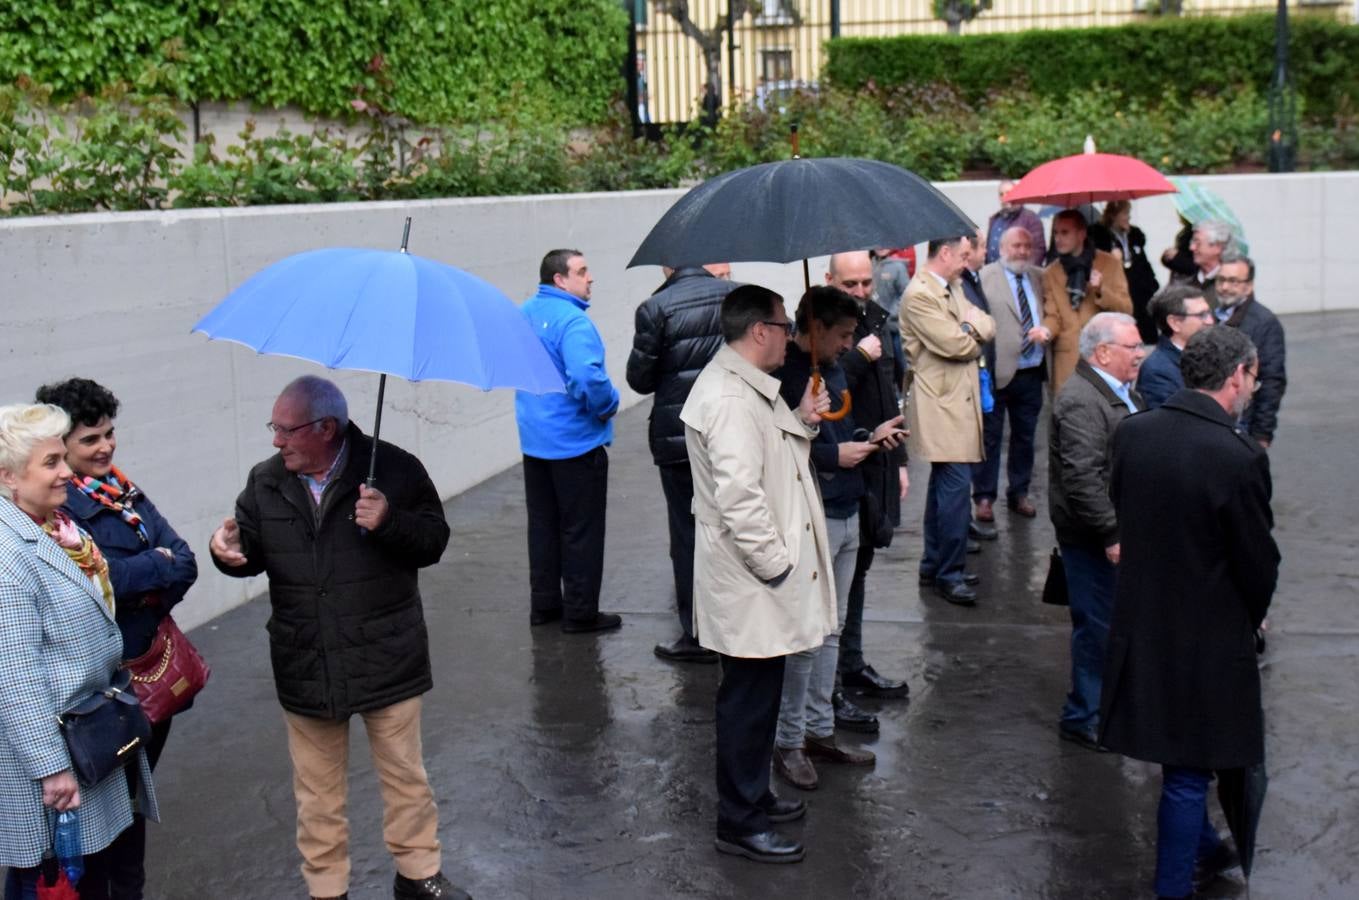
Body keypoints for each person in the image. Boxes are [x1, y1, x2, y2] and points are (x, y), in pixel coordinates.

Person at [209, 376, 464, 900]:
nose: (277, 441)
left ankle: (418, 873)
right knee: (317, 793)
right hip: (307, 658)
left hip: (386, 653)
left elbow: (434, 539)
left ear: (327, 428)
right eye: (273, 428)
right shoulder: (265, 481)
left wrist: (389, 521)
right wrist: (226, 552)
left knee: (405, 778)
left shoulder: (395, 469)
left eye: (286, 430)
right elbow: (251, 551)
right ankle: (327, 888)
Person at [1100, 326, 1278, 900]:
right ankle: (1172, 889)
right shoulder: (1239, 455)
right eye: (1251, 378)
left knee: (1178, 758)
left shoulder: (1134, 433)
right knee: (1187, 772)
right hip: (1206, 636)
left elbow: (1128, 513)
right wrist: (1254, 616)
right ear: (1237, 377)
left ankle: (1207, 848)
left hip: (1142, 621)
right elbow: (1257, 560)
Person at [680, 284, 835, 864]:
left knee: (759, 695)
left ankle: (752, 798)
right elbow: (740, 497)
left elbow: (770, 452)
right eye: (785, 324)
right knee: (746, 702)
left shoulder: (745, 389)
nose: (792, 336)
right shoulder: (728, 397)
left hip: (755, 581)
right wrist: (778, 568)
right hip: (752, 581)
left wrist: (803, 418)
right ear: (761, 332)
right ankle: (739, 821)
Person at [34, 378, 197, 900]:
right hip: (104, 695)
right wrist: (154, 570)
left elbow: (187, 562)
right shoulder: (58, 512)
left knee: (132, 812)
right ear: (61, 447)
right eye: (89, 440)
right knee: (102, 822)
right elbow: (93, 588)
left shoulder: (122, 489)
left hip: (150, 680)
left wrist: (137, 580)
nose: (105, 446)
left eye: (109, 433)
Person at [0, 403, 157, 900]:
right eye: (50, 463)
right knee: (54, 882)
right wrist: (52, 770)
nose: (67, 471)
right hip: (55, 764)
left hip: (88, 742)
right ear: (7, 476)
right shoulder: (9, 557)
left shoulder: (57, 528)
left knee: (95, 877)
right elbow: (16, 677)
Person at [770, 286, 903, 790]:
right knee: (807, 632)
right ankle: (789, 740)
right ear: (818, 327)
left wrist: (870, 439)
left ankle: (818, 731)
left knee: (832, 626)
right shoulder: (787, 375)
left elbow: (839, 430)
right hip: (812, 513)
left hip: (848, 506)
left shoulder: (833, 367)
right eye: (843, 334)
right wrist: (830, 456)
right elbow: (782, 448)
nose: (851, 343)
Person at [625, 263, 735, 663]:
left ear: (667, 266)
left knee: (689, 532)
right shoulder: (737, 297)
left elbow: (639, 378)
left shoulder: (656, 307)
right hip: (731, 430)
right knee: (734, 520)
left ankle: (697, 633)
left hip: (679, 437)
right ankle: (735, 619)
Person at [1048, 313, 1144, 752]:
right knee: (1097, 628)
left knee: (1111, 625)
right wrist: (1110, 533)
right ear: (1103, 353)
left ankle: (1106, 708)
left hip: (1113, 530)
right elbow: (1082, 478)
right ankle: (1084, 717)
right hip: (1092, 539)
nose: (1140, 354)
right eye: (1132, 347)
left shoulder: (1116, 391)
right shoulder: (1083, 400)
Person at [515, 249, 622, 633]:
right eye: (582, 271)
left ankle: (544, 606)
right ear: (560, 280)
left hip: (535, 441)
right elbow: (587, 377)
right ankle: (580, 613)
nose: (590, 278)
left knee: (542, 527)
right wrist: (609, 404)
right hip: (575, 443)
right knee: (581, 530)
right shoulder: (574, 322)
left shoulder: (525, 313)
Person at [826, 252, 911, 712]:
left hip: (875, 461)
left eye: (865, 283)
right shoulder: (821, 335)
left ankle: (851, 662)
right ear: (828, 281)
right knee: (837, 579)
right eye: (850, 284)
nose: (860, 292)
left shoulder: (877, 319)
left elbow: (889, 395)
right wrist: (856, 357)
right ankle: (833, 677)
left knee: (859, 568)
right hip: (839, 468)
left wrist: (897, 460)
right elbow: (823, 400)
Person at [900, 235, 997, 606]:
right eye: (964, 255)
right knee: (955, 489)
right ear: (945, 253)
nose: (968, 261)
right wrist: (971, 330)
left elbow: (985, 321)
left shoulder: (952, 284)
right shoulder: (920, 295)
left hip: (955, 400)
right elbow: (958, 345)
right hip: (942, 403)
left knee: (946, 486)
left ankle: (934, 565)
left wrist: (970, 329)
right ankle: (949, 572)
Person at [976, 225, 1050, 522]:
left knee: (1025, 436)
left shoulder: (1038, 277)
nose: (1021, 251)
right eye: (1016, 245)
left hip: (1031, 372)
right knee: (991, 438)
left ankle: (1019, 492)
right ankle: (984, 496)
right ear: (1001, 247)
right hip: (998, 371)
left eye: (1026, 246)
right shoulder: (985, 278)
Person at [1042, 209, 1133, 392]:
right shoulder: (1051, 272)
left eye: (1065, 232)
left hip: (1104, 353)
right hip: (1067, 358)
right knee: (1069, 414)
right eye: (1055, 233)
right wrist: (1045, 330)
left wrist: (1100, 290)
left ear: (1082, 234)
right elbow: (1053, 315)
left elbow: (1126, 309)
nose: (1058, 238)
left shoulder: (1108, 264)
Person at [1214, 250, 1287, 448]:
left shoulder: (1265, 323)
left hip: (1243, 422)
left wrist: (1262, 434)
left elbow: (1272, 380)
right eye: (1220, 280)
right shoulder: (1210, 316)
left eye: (1233, 281)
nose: (1225, 287)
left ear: (1249, 286)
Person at [1089, 200, 1160, 343]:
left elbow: (1143, 263)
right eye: (1125, 213)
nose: (1128, 217)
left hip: (1140, 292)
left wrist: (1153, 284)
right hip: (1118, 290)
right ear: (1113, 215)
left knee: (1145, 333)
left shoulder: (1134, 235)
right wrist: (1111, 256)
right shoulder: (1101, 237)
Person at [1135, 285, 1214, 411]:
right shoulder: (1157, 371)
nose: (1210, 321)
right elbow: (1169, 422)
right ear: (1175, 323)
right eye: (1202, 315)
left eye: (1209, 313)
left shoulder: (1212, 355)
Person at [1170, 219, 1234, 310]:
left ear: (1217, 247)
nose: (1192, 248)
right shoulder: (1184, 282)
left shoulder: (1232, 286)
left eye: (1197, 243)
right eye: (1192, 242)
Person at [985, 180, 1045, 266]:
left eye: (1009, 193)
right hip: (994, 275)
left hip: (1019, 274)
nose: (1005, 197)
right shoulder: (994, 219)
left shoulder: (1031, 219)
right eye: (1001, 194)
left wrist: (1025, 274)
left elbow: (1039, 251)